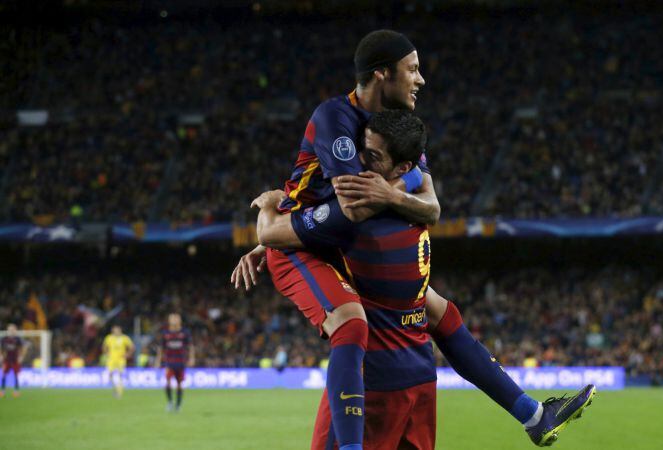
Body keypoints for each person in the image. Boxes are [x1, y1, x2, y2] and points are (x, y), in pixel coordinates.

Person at [233, 30, 594, 447]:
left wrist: (391, 192)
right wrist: (274, 232)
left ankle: (533, 415)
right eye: (413, 69)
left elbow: (431, 204)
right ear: (383, 74)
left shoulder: (396, 128)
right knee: (352, 323)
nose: (420, 79)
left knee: (436, 309)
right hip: (307, 246)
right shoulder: (336, 119)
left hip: (336, 239)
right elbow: (355, 206)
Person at [155, 313, 194, 412]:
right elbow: (161, 348)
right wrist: (158, 360)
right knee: (167, 382)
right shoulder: (165, 333)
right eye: (172, 318)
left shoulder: (185, 332)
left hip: (181, 361)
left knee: (180, 384)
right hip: (169, 362)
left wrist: (191, 358)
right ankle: (170, 402)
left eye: (176, 318)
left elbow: (190, 346)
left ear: (179, 320)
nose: (174, 320)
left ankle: (178, 405)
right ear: (169, 320)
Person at [102, 325, 134, 399]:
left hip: (121, 359)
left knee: (120, 375)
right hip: (111, 359)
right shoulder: (109, 338)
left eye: (118, 330)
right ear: (113, 331)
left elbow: (132, 347)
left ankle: (119, 392)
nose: (116, 331)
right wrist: (106, 354)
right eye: (115, 330)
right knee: (110, 375)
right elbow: (104, 347)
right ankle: (115, 388)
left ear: (120, 330)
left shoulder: (125, 338)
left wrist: (127, 355)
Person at [1, 324, 29, 398]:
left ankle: (16, 391)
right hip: (6, 359)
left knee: (16, 375)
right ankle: (2, 391)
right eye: (10, 329)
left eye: (13, 329)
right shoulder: (4, 339)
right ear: (7, 330)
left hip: (15, 359)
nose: (11, 331)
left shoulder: (18, 339)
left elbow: (24, 347)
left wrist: (21, 357)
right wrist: (1, 356)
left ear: (15, 331)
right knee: (4, 374)